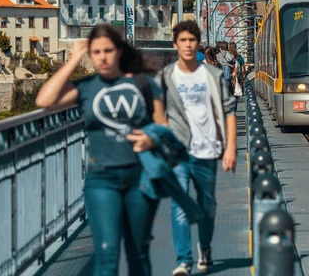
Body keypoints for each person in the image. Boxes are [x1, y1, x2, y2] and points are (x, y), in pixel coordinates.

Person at [35, 24, 166, 276]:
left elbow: (163, 125)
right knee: (106, 253)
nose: (102, 57)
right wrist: (74, 59)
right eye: (96, 52)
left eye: (107, 50)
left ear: (118, 51)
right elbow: (45, 100)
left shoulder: (144, 84)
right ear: (90, 54)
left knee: (138, 252)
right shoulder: (85, 87)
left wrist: (151, 139)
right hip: (102, 179)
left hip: (140, 177)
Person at [157, 21, 237, 276]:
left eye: (192, 40)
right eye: (183, 41)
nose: (188, 45)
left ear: (197, 44)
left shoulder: (212, 76)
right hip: (178, 153)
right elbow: (157, 110)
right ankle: (184, 260)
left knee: (207, 205)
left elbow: (228, 112)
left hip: (208, 151)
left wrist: (230, 149)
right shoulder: (166, 76)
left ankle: (205, 247)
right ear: (175, 45)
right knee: (179, 206)